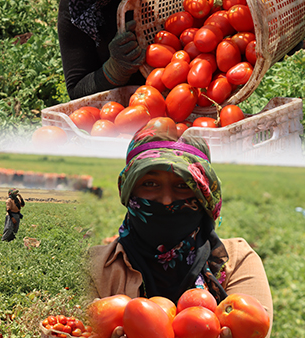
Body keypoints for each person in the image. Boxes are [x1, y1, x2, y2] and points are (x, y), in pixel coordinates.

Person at [88, 125, 273, 337]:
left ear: (203, 195)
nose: (167, 200)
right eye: (150, 183)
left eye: (183, 185)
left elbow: (256, 327)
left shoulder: (238, 260)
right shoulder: (94, 267)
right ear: (129, 190)